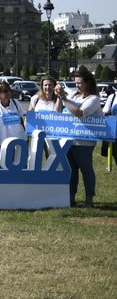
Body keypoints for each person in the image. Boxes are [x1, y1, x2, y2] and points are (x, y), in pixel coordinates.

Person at [54, 68, 99, 208]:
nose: (77, 86)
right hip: (69, 139)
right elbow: (58, 111)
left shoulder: (94, 99)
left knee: (86, 170)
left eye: (80, 83)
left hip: (84, 141)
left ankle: (89, 200)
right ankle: (71, 198)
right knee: (71, 171)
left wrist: (64, 98)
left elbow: (79, 113)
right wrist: (59, 96)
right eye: (76, 83)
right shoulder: (74, 95)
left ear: (88, 83)